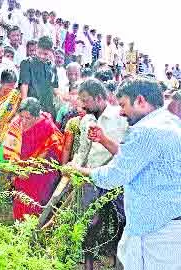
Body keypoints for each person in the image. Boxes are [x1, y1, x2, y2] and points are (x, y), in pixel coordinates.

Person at [71, 77, 181, 270]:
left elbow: (114, 176)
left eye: (123, 105)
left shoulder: (146, 130)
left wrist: (81, 171)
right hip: (165, 221)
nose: (121, 112)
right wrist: (104, 140)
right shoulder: (169, 122)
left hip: (157, 229)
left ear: (140, 100)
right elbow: (135, 159)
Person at [72, 78, 128, 270]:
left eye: (86, 100)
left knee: (121, 220)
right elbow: (82, 149)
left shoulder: (120, 118)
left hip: (114, 179)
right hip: (91, 177)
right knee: (91, 221)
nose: (83, 104)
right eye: (81, 100)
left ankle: (116, 259)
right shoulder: (87, 120)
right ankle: (88, 262)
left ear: (98, 98)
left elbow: (123, 151)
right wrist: (75, 169)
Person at [0, 97, 66, 220]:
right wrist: (15, 170)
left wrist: (29, 169)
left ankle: (36, 226)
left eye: (28, 118)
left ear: (36, 116)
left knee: (37, 199)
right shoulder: (16, 123)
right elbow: (11, 148)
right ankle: (20, 225)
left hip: (39, 170)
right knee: (20, 197)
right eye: (22, 116)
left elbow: (46, 149)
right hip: (20, 166)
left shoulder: (46, 125)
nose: (23, 121)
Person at [19, 36, 59, 118]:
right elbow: (24, 85)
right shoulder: (27, 63)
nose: (42, 56)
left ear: (51, 52)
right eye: (39, 52)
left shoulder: (52, 67)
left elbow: (55, 88)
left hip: (48, 108)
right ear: (36, 48)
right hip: (32, 107)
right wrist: (24, 107)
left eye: (45, 54)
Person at [0, 69, 21, 154]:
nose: (10, 89)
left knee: (8, 155)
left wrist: (10, 130)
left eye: (12, 86)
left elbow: (17, 114)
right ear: (1, 82)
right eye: (8, 86)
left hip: (11, 130)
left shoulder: (16, 95)